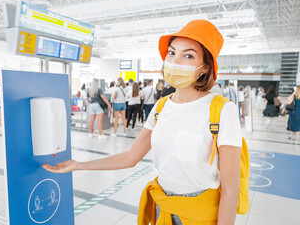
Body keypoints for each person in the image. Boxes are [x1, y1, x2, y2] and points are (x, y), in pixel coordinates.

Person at [43, 20, 242, 225]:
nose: (175, 61)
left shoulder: (221, 110)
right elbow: (130, 157)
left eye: (188, 55)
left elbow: (230, 189)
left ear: (204, 68)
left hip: (199, 214)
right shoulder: (161, 107)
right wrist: (79, 165)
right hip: (161, 209)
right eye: (172, 53)